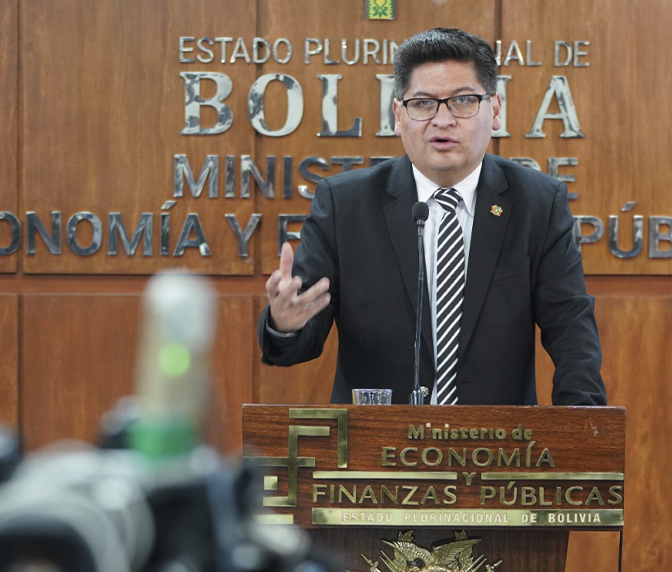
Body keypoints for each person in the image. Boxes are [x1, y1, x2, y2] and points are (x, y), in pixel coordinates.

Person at [258, 27, 606, 406]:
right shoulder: (345, 205)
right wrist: (284, 324)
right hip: (377, 454)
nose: (442, 120)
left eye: (462, 101)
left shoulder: (537, 203)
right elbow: (295, 345)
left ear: (495, 111)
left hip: (497, 451)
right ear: (398, 114)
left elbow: (571, 331)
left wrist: (581, 434)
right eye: (423, 103)